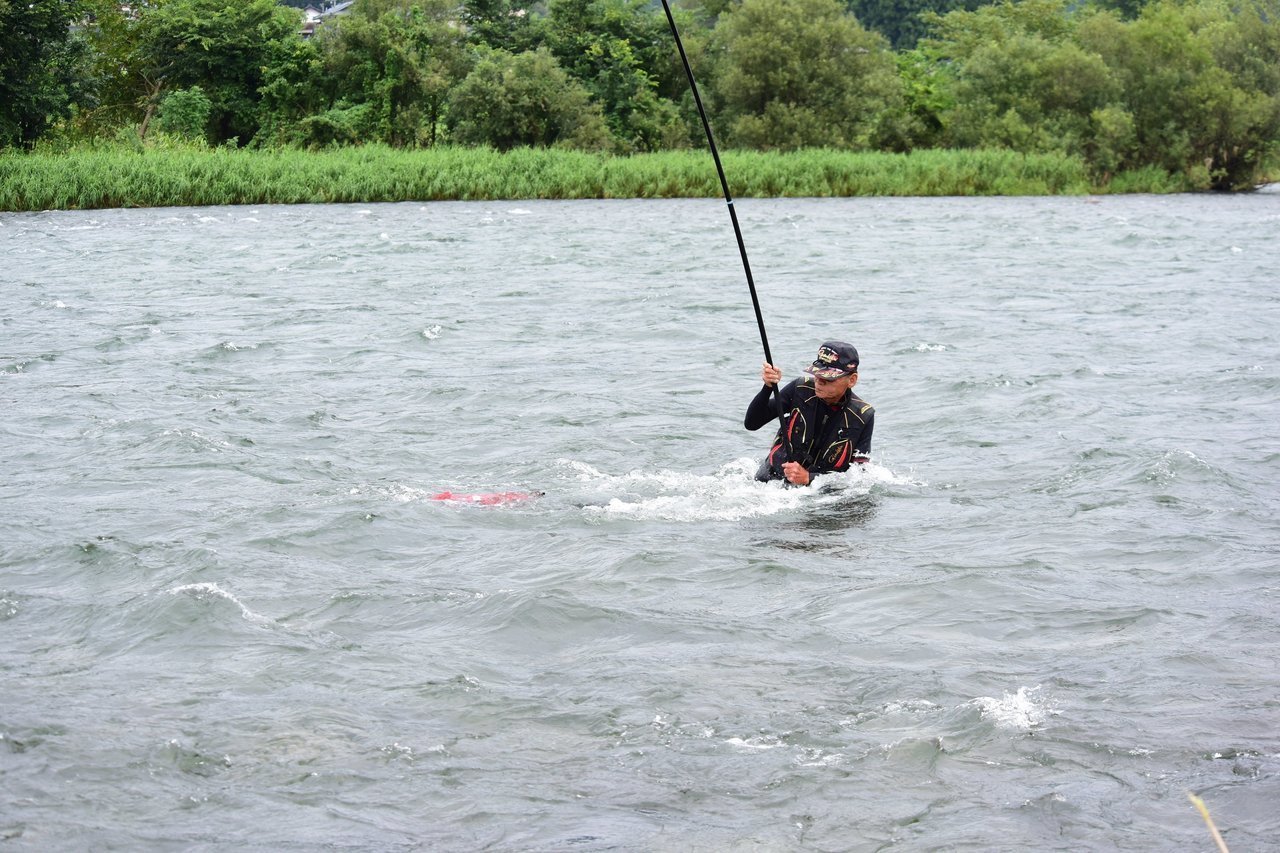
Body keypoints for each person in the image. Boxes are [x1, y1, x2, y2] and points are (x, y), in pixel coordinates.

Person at [744, 340, 874, 485]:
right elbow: (752, 423)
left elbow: (859, 476)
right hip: (768, 483)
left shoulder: (863, 416)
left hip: (820, 494)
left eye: (828, 378)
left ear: (852, 380)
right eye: (817, 374)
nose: (819, 381)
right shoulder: (799, 389)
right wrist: (767, 387)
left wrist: (808, 478)